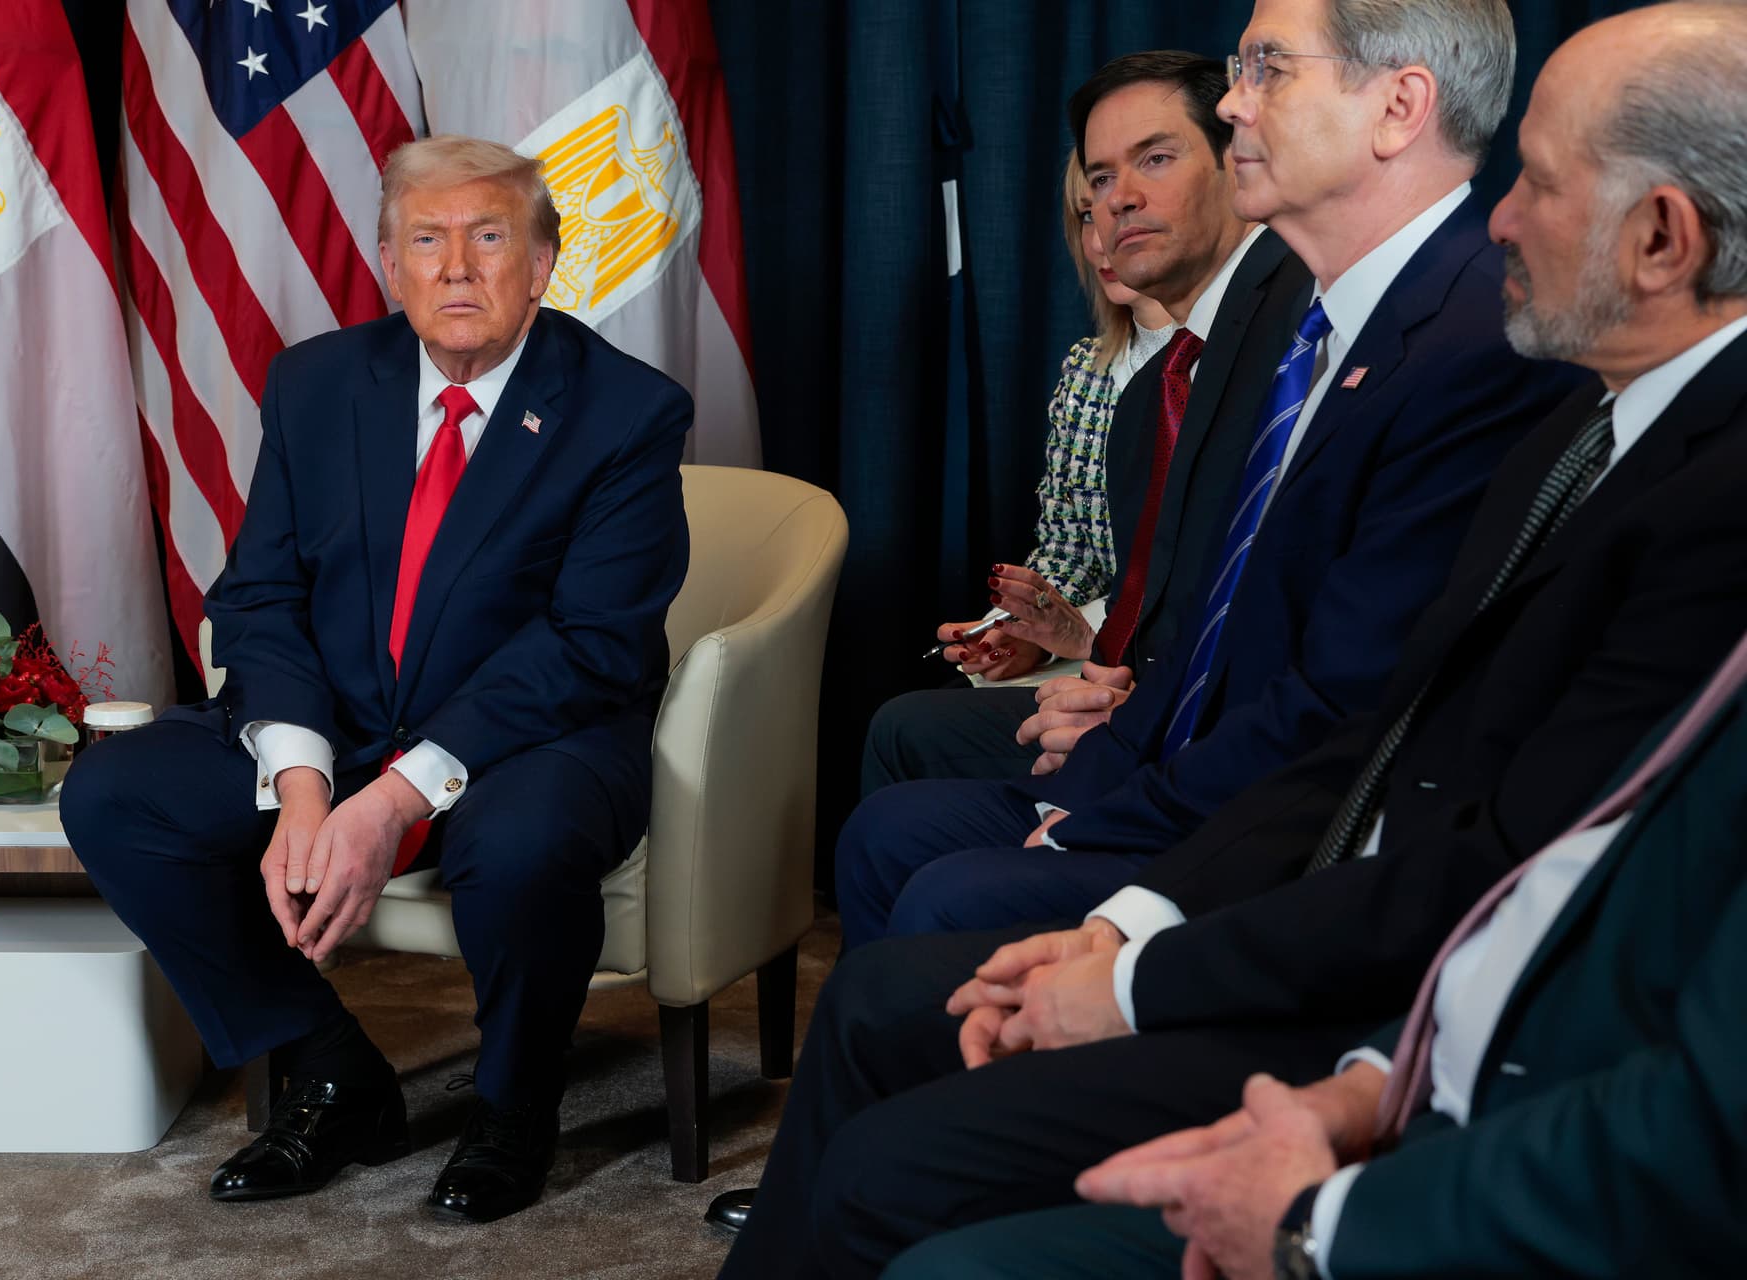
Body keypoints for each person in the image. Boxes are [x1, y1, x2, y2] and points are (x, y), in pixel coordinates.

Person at [715, 2, 1747, 1274]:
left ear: (1661, 237)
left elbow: (1468, 832)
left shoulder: (1620, 441)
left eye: (1536, 182)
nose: (1501, 219)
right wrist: (1139, 907)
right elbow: (1379, 722)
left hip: (1399, 992)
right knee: (892, 994)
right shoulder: (1567, 429)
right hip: (1342, 925)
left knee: (907, 1144)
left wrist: (1150, 966)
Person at [837, 0, 1582, 948]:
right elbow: (1203, 621)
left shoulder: (1472, 342)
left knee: (946, 895)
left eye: (1269, 67)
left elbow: (1346, 703)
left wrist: (1100, 820)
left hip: (1292, 839)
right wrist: (1099, 778)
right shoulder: (1301, 330)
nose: (1235, 105)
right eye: (1238, 72)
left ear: (1399, 107)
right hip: (1187, 765)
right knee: (887, 836)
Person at [60, 137, 690, 1224]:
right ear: (391, 264)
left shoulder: (627, 411)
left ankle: (513, 1108)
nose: (459, 268)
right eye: (428, 241)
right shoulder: (315, 385)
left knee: (522, 845)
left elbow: (590, 643)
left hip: (532, 736)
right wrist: (304, 783)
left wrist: (397, 797)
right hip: (343, 721)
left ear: (542, 263)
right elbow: (262, 595)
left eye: (489, 237)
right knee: (118, 795)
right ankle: (331, 1069)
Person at [895, 626, 1747, 1280]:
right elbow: (1546, 878)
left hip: (1487, 1151)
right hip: (1410, 1051)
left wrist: (1319, 1225)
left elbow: (1697, 1138)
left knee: (924, 1200)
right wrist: (1369, 1086)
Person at [861, 53, 1308, 797]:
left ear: (1239, 162)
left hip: (1215, 726)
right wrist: (1024, 631)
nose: (1118, 203)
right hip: (1133, 681)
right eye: (1098, 184)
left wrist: (1105, 676)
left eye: (1156, 159)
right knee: (902, 737)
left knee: (907, 815)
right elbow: (1074, 556)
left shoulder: (1293, 336)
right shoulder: (1122, 386)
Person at [932, 152, 1179, 693]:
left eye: (1118, 211)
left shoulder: (1240, 359)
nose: (1101, 240)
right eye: (1086, 215)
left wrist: (1088, 635)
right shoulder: (1086, 371)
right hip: (1094, 663)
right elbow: (1070, 553)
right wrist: (1024, 630)